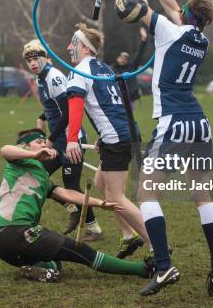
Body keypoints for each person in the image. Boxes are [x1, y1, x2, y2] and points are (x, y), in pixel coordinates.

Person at [103, 0, 213, 296]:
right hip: (199, 123)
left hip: (173, 122)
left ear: (187, 17)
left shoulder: (168, 34)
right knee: (202, 195)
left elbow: (134, 1)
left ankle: (163, 266)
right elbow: (174, 8)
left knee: (146, 193)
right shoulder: (200, 40)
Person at [0, 128, 155, 282]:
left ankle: (41, 270)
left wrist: (100, 203)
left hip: (4, 243)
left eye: (44, 143)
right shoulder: (16, 164)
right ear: (23, 146)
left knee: (54, 261)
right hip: (15, 232)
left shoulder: (41, 177)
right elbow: (5, 150)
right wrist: (35, 154)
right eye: (39, 142)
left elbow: (67, 193)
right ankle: (144, 269)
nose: (44, 145)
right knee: (83, 251)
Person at [65, 22, 151, 259]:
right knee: (101, 185)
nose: (68, 47)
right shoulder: (103, 67)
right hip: (126, 133)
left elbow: (76, 105)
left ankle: (158, 245)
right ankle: (128, 235)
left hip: (117, 139)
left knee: (115, 197)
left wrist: (72, 139)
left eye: (73, 43)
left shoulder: (80, 70)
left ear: (84, 47)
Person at [22, 39, 103, 241]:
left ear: (46, 58)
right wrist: (42, 118)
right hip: (60, 140)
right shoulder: (41, 77)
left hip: (70, 139)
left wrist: (50, 139)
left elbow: (68, 110)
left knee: (71, 185)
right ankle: (73, 209)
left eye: (36, 57)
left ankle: (93, 228)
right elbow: (54, 106)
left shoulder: (53, 77)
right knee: (37, 174)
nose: (32, 62)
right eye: (28, 59)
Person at [111, 27, 149, 108]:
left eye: (125, 58)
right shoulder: (112, 70)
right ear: (117, 58)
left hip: (130, 99)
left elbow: (139, 54)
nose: (123, 59)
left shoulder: (131, 68)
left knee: (129, 118)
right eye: (121, 57)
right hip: (117, 99)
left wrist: (143, 41)